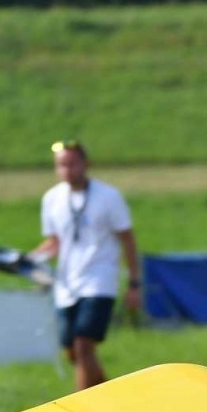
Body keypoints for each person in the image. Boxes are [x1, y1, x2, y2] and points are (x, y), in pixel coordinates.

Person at [32, 141, 141, 390]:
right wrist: (28, 259)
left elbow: (127, 238)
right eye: (62, 165)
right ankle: (114, 394)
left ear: (86, 164)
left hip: (99, 279)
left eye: (72, 163)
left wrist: (134, 283)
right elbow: (55, 242)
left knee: (84, 345)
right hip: (67, 282)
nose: (67, 170)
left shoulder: (108, 196)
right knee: (71, 350)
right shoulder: (52, 199)